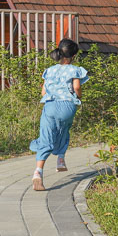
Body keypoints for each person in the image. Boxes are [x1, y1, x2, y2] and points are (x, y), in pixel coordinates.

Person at [29, 39, 88, 191]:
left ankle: (38, 172)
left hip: (50, 105)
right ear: (73, 55)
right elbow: (76, 87)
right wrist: (79, 97)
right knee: (63, 130)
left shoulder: (49, 70)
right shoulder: (75, 69)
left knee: (46, 136)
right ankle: (60, 159)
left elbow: (43, 92)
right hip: (67, 106)